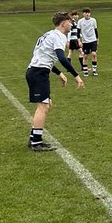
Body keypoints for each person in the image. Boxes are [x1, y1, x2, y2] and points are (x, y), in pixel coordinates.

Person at [25, 12, 85, 150]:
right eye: (69, 21)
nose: (71, 24)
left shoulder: (47, 35)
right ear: (63, 23)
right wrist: (76, 75)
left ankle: (34, 138)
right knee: (43, 107)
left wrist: (59, 73)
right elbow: (61, 57)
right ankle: (36, 143)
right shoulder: (59, 36)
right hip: (38, 72)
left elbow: (44, 56)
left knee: (47, 104)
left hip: (36, 71)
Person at [77, 7, 99, 76]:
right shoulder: (80, 21)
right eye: (86, 13)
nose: (87, 14)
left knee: (94, 54)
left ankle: (94, 70)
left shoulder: (93, 20)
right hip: (85, 41)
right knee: (85, 56)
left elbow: (95, 30)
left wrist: (97, 39)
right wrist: (79, 41)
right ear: (83, 14)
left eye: (88, 13)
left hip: (93, 40)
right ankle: (85, 70)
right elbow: (78, 32)